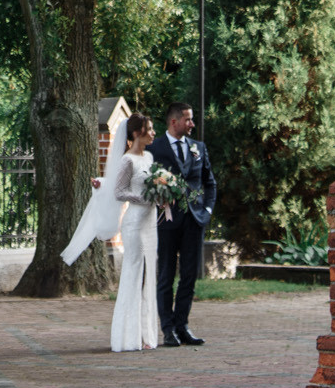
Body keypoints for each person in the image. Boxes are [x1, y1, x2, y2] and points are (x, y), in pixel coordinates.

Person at [58, 112, 162, 351]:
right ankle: (128, 336)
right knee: (134, 274)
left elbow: (154, 184)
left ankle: (146, 335)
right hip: (134, 222)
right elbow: (119, 191)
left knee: (150, 275)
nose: (154, 133)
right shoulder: (127, 161)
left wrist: (162, 197)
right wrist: (144, 198)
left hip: (150, 222)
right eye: (150, 128)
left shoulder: (149, 157)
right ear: (137, 134)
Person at [147, 101, 217, 347]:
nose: (192, 124)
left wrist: (207, 210)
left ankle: (182, 325)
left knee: (189, 276)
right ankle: (167, 329)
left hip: (194, 221)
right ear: (174, 121)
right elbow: (141, 180)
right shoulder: (154, 148)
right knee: (166, 275)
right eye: (188, 119)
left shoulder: (199, 147)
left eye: (192, 119)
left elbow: (210, 183)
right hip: (166, 221)